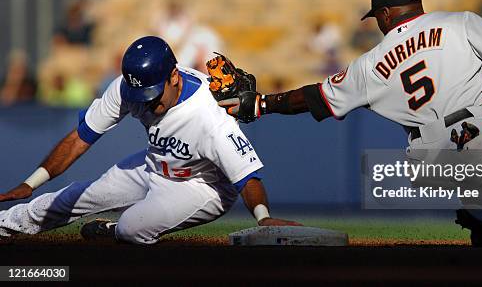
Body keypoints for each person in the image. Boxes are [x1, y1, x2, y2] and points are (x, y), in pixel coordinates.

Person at [217, 0, 482, 246]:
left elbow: (313, 97)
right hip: (476, 138)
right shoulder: (460, 23)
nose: (377, 24)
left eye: (377, 17)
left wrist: (260, 104)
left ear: (386, 14)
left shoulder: (371, 62)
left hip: (426, 162)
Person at [0, 36, 299, 245]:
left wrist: (263, 218)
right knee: (71, 197)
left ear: (174, 77)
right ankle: (4, 225)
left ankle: (114, 230)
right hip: (153, 164)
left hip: (201, 186)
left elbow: (248, 178)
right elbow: (81, 137)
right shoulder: (129, 88)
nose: (146, 103)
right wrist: (32, 181)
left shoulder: (210, 117)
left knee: (132, 228)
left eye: (152, 95)